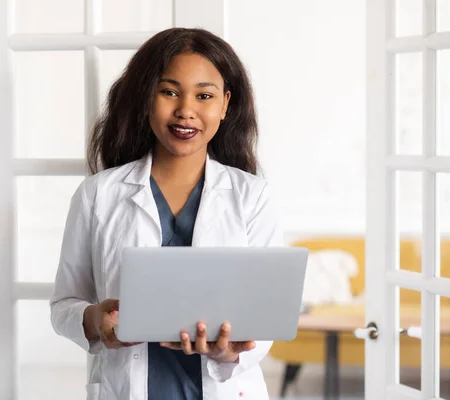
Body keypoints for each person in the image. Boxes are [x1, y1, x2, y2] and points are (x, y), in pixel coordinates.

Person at [50, 27, 283, 400]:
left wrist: (229, 351)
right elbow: (64, 305)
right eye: (169, 91)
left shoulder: (251, 196)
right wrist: (94, 320)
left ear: (224, 105)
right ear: (146, 98)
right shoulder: (98, 195)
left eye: (204, 95)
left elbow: (267, 315)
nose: (185, 110)